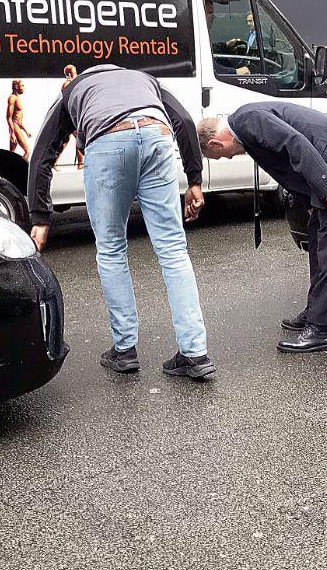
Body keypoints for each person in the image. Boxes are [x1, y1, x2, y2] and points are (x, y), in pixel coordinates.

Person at [27, 63, 215, 379]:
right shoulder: (144, 78)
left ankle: (124, 350)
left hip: (108, 141)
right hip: (157, 135)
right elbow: (182, 120)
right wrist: (194, 180)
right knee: (172, 249)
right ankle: (194, 352)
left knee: (112, 249)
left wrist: (40, 217)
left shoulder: (72, 90)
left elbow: (42, 154)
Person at [197, 102, 327, 353]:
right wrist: (310, 199)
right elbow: (285, 166)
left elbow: (295, 144)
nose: (229, 157)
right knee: (318, 237)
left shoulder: (247, 120)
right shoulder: (244, 126)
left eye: (223, 155)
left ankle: (322, 328)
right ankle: (317, 310)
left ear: (215, 143)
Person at [204, 0, 251, 76]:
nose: (213, 16)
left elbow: (209, 49)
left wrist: (226, 45)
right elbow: (208, 66)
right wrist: (236, 72)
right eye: (210, 13)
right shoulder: (192, 36)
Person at [58, 64, 84, 169]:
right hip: (69, 116)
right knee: (78, 138)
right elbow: (66, 100)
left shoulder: (74, 82)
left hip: (74, 115)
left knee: (70, 139)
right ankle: (80, 164)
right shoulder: (67, 84)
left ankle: (80, 163)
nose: (76, 71)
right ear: (69, 73)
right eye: (74, 70)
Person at [7, 79, 32, 161]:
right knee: (27, 151)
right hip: (14, 127)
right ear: (16, 86)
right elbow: (9, 117)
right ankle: (20, 170)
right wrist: (12, 133)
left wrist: (26, 130)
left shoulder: (17, 98)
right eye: (22, 86)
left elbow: (18, 120)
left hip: (16, 126)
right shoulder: (12, 98)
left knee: (12, 152)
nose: (24, 88)